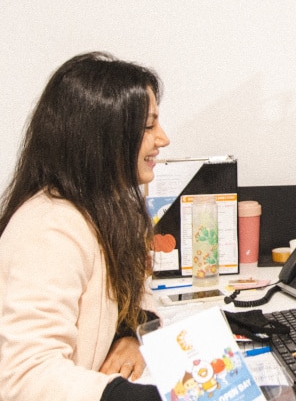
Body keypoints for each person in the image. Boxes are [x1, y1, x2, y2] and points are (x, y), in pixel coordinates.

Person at [0, 52, 170, 400]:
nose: (162, 138)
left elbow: (129, 292)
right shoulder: (50, 229)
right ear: (105, 136)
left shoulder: (107, 209)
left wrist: (128, 332)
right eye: (148, 126)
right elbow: (24, 375)